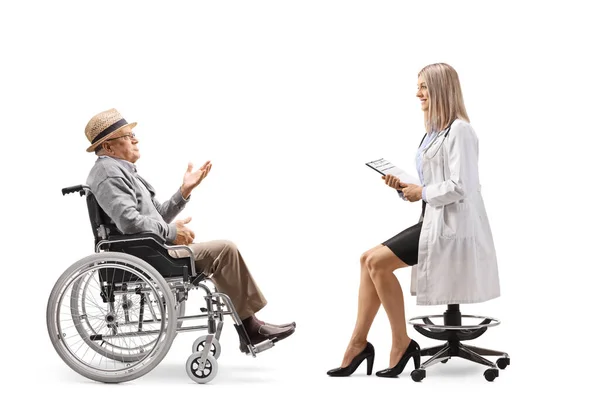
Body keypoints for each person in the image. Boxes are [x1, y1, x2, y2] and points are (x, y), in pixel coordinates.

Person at [327, 63, 500, 377]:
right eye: (418, 86)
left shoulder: (460, 130)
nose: (417, 93)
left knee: (377, 262)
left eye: (424, 87)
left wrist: (420, 192)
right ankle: (359, 342)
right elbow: (432, 183)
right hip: (432, 218)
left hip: (453, 226)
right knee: (367, 259)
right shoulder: (434, 132)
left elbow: (462, 187)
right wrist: (405, 187)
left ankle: (399, 343)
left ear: (440, 89)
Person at [84, 108, 296, 350]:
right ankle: (251, 328)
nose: (136, 139)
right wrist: (172, 233)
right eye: (128, 135)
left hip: (150, 249)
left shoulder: (123, 172)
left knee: (220, 253)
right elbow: (129, 222)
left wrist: (184, 192)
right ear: (109, 147)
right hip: (143, 254)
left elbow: (158, 215)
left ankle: (250, 327)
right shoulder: (108, 172)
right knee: (225, 250)